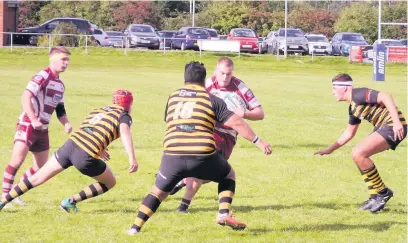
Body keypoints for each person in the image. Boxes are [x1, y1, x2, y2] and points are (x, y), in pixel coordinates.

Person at [127, 62, 272, 236]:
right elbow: (237, 123)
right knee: (228, 175)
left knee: (158, 192)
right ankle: (223, 213)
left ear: (185, 78)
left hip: (172, 153)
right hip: (202, 154)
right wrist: (259, 141)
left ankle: (134, 228)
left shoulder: (173, 96)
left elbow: (169, 121)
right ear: (204, 81)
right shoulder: (212, 99)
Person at [0, 89, 138, 212]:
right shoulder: (124, 115)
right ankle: (70, 202)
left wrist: (99, 148)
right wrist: (132, 157)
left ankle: (3, 201)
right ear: (129, 105)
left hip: (70, 145)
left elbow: (88, 128)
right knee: (110, 182)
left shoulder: (99, 110)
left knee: (37, 178)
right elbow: (125, 133)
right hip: (85, 155)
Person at [172, 57, 265, 214]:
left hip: (228, 136)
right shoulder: (207, 84)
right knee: (212, 169)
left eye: (228, 74)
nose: (224, 77)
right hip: (210, 131)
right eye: (222, 73)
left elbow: (260, 113)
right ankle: (197, 206)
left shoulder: (240, 87)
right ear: (216, 71)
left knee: (206, 172)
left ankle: (183, 192)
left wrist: (245, 114)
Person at [315, 73, 407, 213]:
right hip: (385, 127)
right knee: (357, 157)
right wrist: (329, 149)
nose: (332, 92)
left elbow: (386, 96)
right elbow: (349, 133)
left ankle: (383, 193)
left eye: (334, 88)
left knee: (358, 153)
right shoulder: (353, 108)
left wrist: (396, 122)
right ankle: (374, 197)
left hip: (392, 126)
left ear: (344, 88)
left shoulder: (358, 94)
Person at [2, 46, 72, 207]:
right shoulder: (42, 76)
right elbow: (26, 96)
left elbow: (59, 108)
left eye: (68, 60)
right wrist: (33, 119)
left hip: (43, 130)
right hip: (27, 124)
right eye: (63, 59)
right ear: (52, 59)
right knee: (17, 160)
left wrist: (66, 123)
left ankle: (17, 192)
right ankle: (4, 197)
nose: (66, 63)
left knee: (40, 168)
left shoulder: (60, 85)